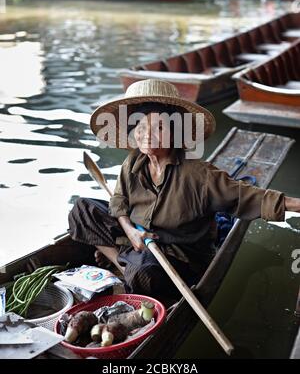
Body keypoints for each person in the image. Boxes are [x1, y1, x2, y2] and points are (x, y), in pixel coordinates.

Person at [68, 79, 300, 298]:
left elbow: (253, 197)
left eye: (159, 126)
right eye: (141, 125)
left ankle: (127, 265)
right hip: (137, 239)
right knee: (82, 210)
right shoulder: (134, 161)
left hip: (177, 256)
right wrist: (129, 230)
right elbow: (119, 201)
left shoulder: (199, 174)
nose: (147, 134)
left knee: (143, 273)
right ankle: (120, 261)